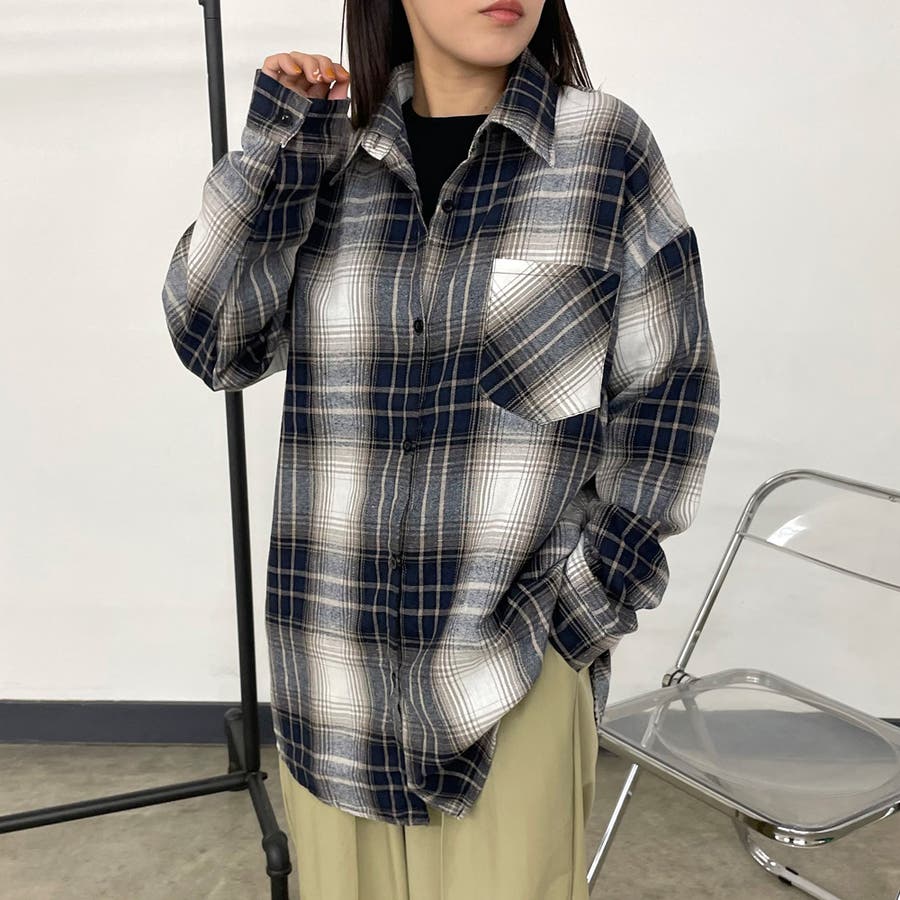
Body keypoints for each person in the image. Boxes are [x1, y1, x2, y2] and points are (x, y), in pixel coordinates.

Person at [160, 0, 721, 896]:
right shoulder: (324, 154)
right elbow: (214, 340)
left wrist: (575, 621)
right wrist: (280, 145)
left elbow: (670, 398)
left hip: (511, 675)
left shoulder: (603, 150)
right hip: (332, 677)